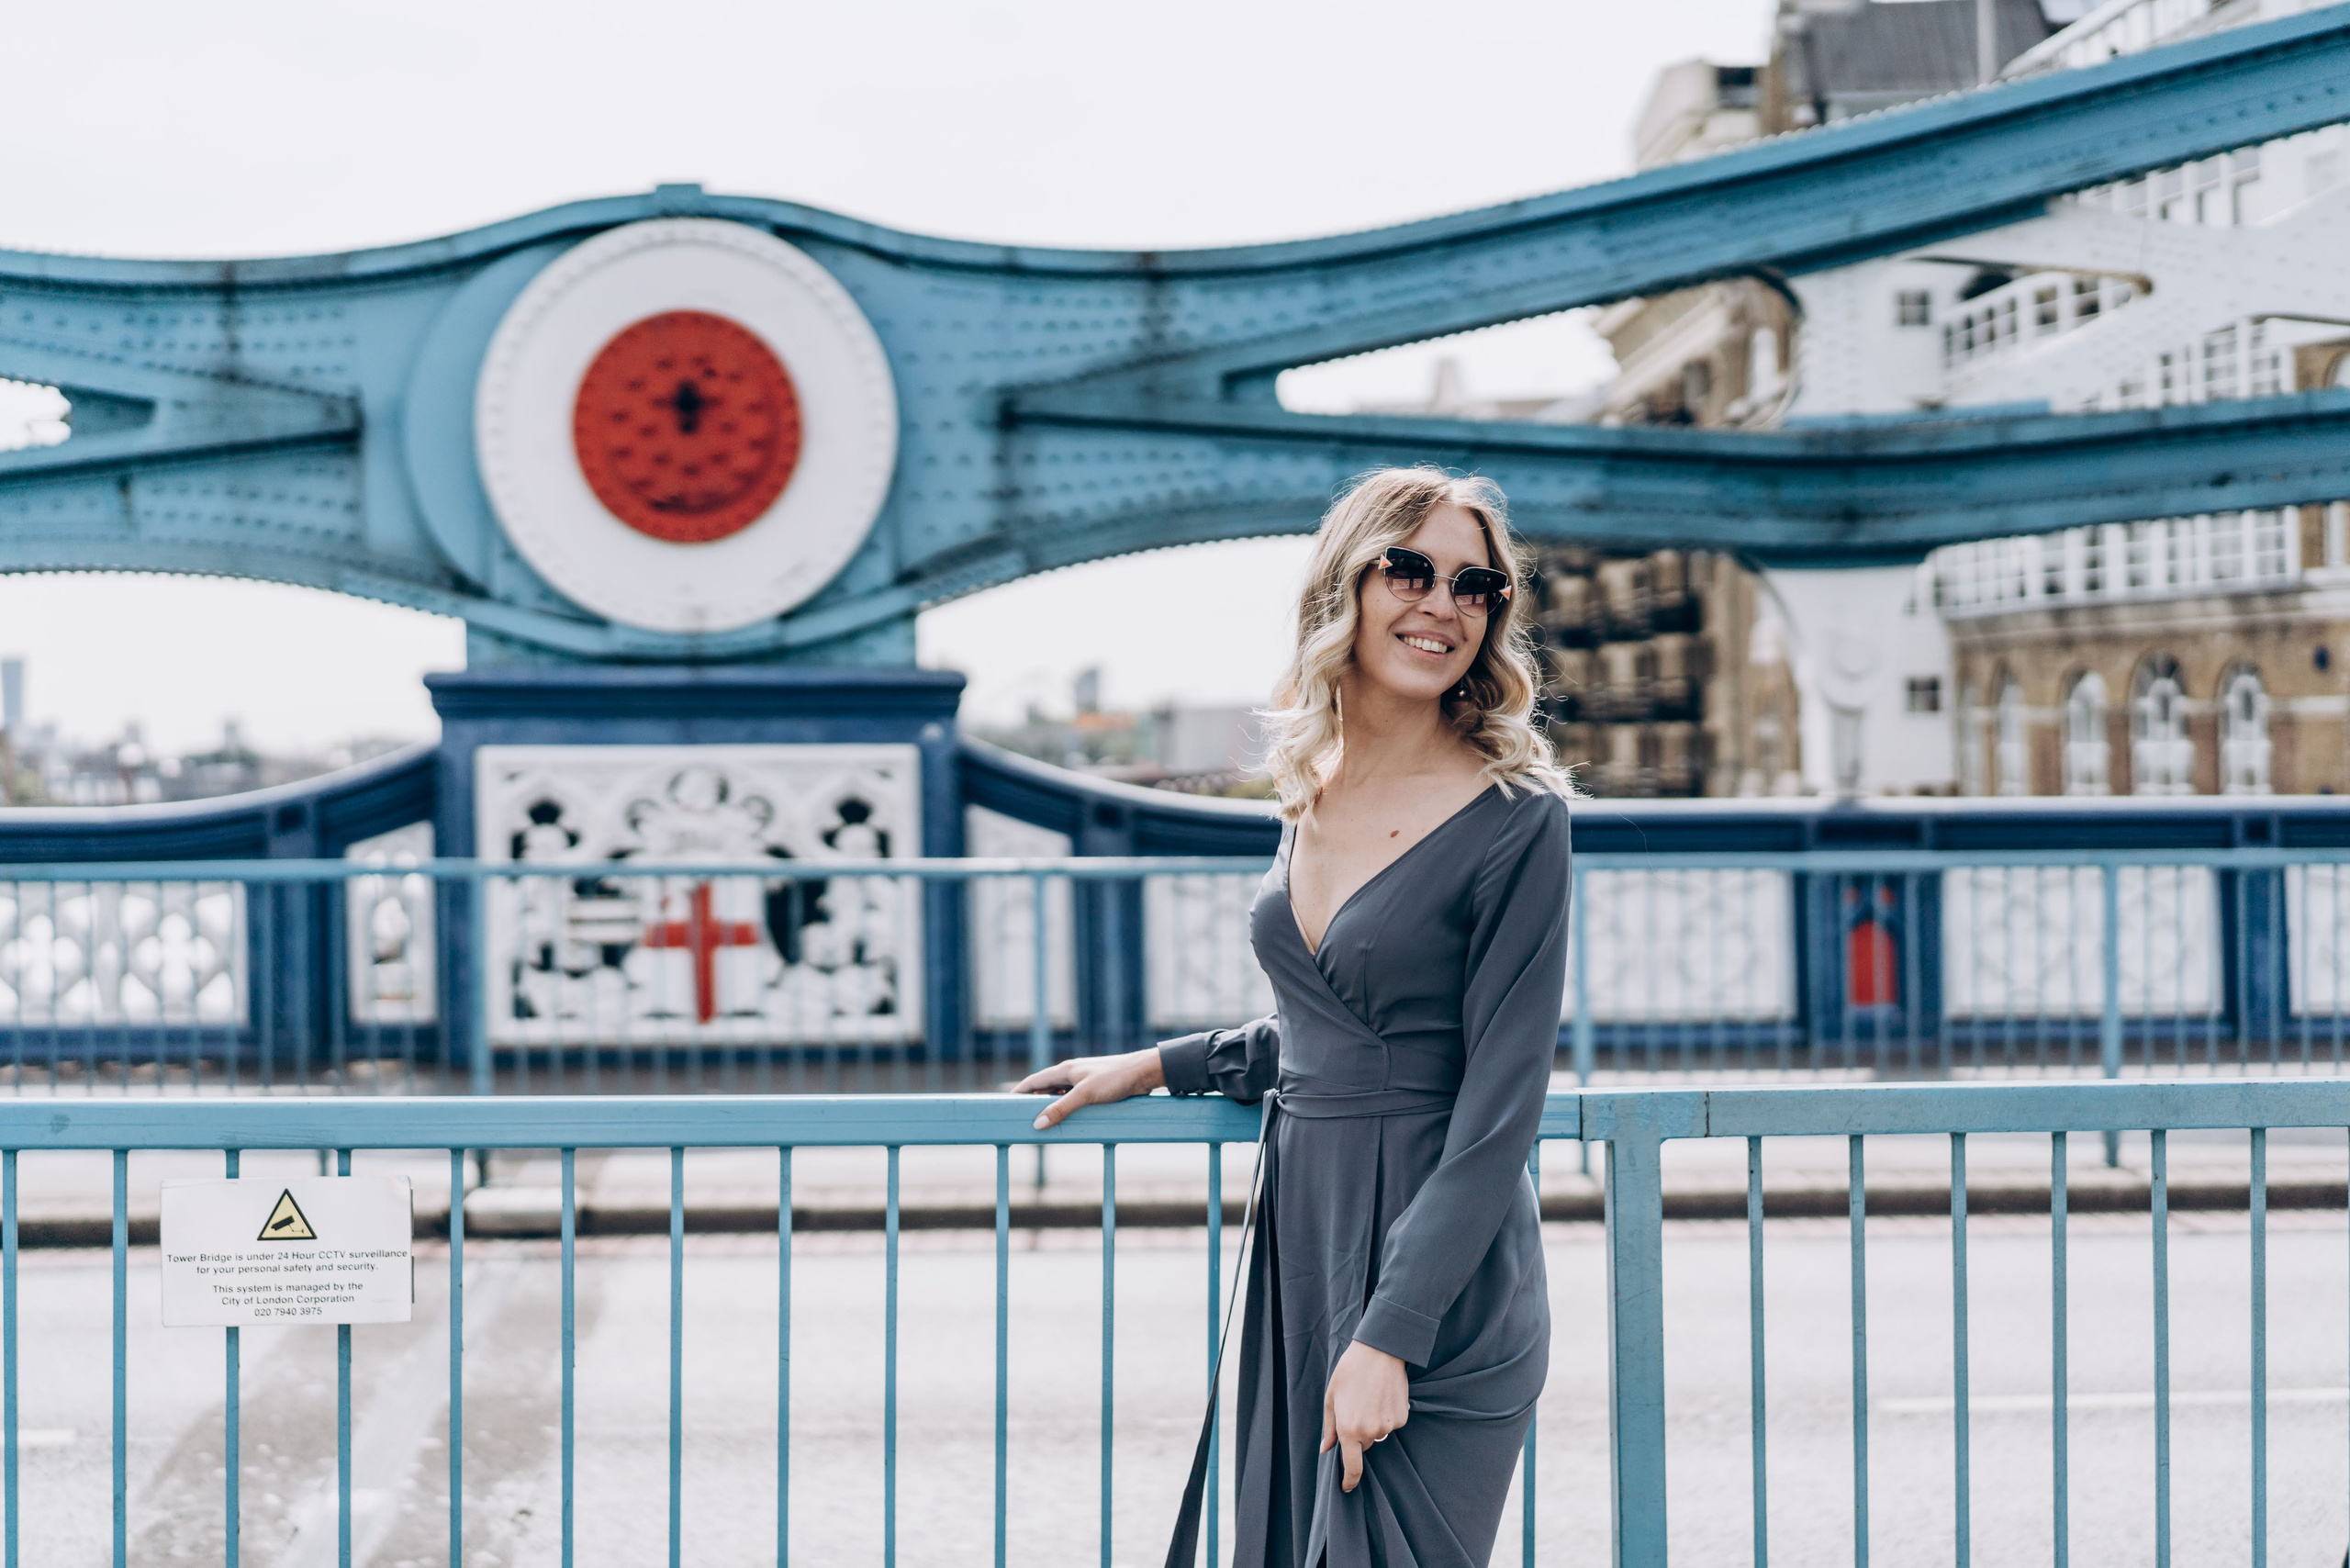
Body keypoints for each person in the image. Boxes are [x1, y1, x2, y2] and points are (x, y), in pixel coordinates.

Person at [1014, 467, 1574, 1568]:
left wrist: (1390, 1333)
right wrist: (1160, 1064)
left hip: (1437, 1282)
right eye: (1406, 568)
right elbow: (1339, 1031)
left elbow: (1499, 1101)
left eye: (1474, 583)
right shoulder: (1309, 792)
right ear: (1344, 587)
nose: (1441, 602)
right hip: (1304, 1250)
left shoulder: (1518, 822)